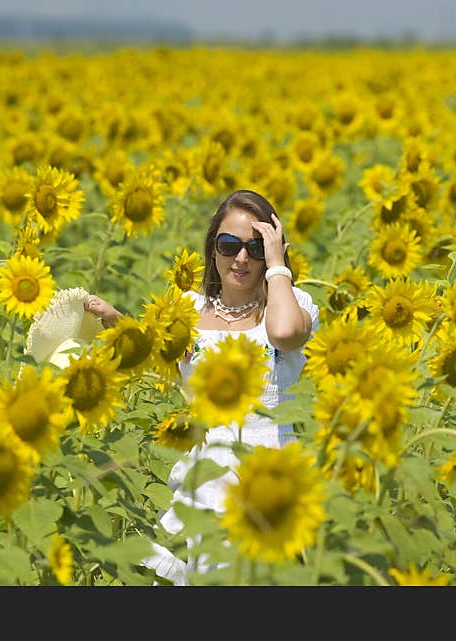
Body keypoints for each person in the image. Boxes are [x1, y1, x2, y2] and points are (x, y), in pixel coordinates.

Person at [84, 189, 320, 585]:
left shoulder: (290, 304)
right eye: (229, 245)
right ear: (213, 248)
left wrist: (278, 266)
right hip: (202, 485)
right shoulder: (189, 310)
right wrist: (114, 320)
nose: (241, 258)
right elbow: (159, 360)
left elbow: (284, 334)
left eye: (256, 247)